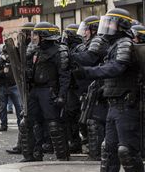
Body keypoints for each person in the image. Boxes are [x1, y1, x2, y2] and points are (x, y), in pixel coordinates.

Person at [79, 8, 144, 172]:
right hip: (114, 104)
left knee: (126, 150)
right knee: (108, 149)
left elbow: (116, 68)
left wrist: (88, 72)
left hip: (127, 105)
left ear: (122, 26)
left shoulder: (124, 43)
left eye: (111, 23)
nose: (106, 27)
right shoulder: (112, 45)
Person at [20, 22, 70, 162]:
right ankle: (32, 155)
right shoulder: (36, 51)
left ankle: (62, 156)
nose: (34, 37)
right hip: (35, 90)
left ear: (45, 36)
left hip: (49, 91)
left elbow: (65, 76)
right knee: (27, 123)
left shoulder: (60, 51)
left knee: (54, 126)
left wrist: (61, 95)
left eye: (36, 34)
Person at [71, 15, 107, 161]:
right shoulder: (88, 42)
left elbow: (89, 58)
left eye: (86, 29)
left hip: (98, 85)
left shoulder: (98, 41)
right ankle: (94, 150)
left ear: (93, 29)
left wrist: (70, 56)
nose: (84, 32)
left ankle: (97, 153)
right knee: (88, 120)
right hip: (89, 87)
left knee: (95, 120)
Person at [6, 22, 34, 154]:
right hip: (26, 88)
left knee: (29, 119)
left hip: (34, 88)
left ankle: (28, 147)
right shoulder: (25, 48)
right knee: (24, 117)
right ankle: (22, 145)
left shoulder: (33, 48)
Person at [61, 23, 85, 154]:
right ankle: (75, 142)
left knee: (83, 118)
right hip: (72, 87)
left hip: (79, 87)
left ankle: (85, 141)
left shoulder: (80, 49)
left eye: (67, 35)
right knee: (70, 116)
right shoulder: (69, 49)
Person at [0, 46, 22, 132]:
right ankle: (4, 125)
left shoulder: (13, 60)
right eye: (6, 54)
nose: (7, 56)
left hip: (13, 85)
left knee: (18, 107)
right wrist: (3, 71)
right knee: (3, 107)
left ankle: (20, 124)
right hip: (3, 86)